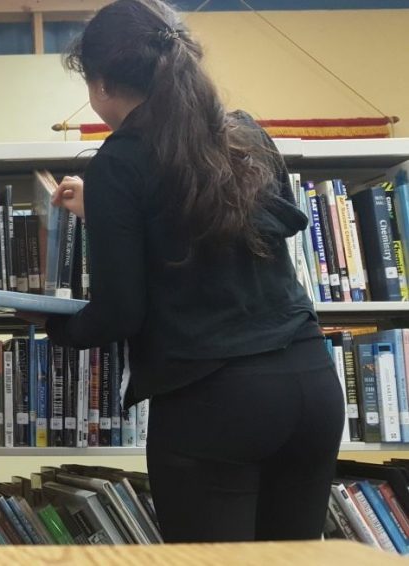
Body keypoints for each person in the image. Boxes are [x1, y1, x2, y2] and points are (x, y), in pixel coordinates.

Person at [44, 0, 344, 543]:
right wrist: (108, 209)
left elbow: (120, 312)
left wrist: (59, 327)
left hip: (217, 406)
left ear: (102, 82)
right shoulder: (244, 134)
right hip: (311, 386)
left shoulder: (118, 160)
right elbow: (211, 220)